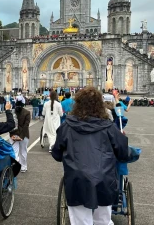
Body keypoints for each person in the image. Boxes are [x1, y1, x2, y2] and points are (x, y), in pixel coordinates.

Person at [51, 87, 130, 225]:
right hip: (105, 179)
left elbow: (57, 154)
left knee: (80, 222)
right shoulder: (109, 127)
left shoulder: (67, 126)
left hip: (77, 179)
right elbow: (123, 153)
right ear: (100, 105)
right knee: (103, 221)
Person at [9, 96, 31, 173]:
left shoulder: (12, 112)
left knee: (14, 152)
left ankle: (14, 167)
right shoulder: (27, 113)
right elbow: (26, 126)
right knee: (23, 151)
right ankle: (23, 167)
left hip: (13, 135)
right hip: (24, 135)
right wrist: (21, 136)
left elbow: (9, 124)